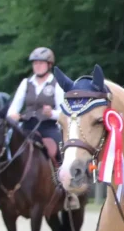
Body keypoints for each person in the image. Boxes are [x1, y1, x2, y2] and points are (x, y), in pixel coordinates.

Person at [7, 47, 80, 210]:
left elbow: (65, 112)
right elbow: (13, 108)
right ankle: (5, 190)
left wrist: (52, 113)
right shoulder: (26, 83)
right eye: (35, 63)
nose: (37, 66)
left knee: (61, 151)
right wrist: (14, 115)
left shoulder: (56, 84)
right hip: (26, 128)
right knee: (6, 149)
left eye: (41, 63)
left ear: (49, 65)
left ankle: (69, 192)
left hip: (48, 128)